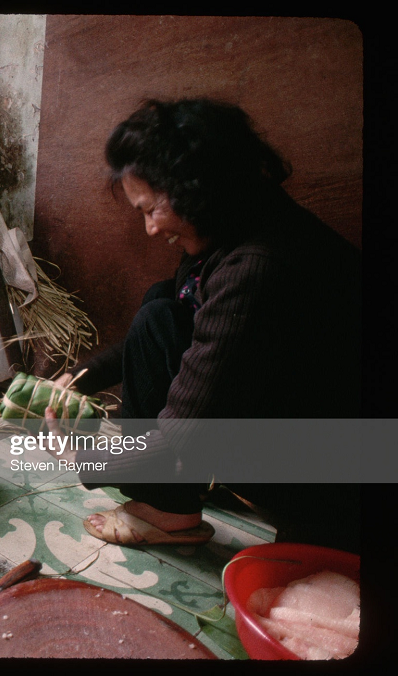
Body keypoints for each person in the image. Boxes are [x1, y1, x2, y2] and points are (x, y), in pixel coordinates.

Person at [46, 98, 361, 552]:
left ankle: (165, 510)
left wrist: (82, 456)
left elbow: (182, 438)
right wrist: (80, 378)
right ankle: (172, 500)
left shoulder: (258, 267)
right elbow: (180, 318)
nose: (151, 229)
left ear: (195, 190)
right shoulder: (233, 221)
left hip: (333, 479)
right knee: (162, 302)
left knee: (159, 318)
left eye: (151, 209)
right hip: (288, 418)